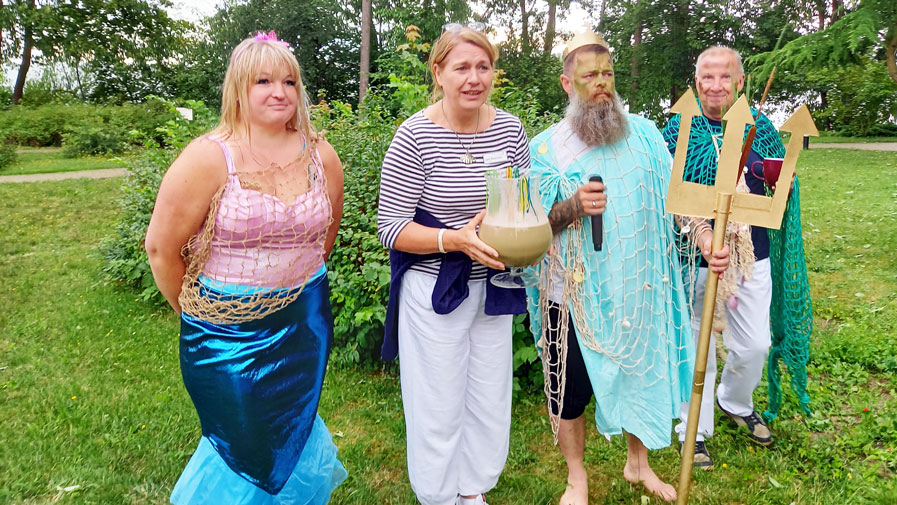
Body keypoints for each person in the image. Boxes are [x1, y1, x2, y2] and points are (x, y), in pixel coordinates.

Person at [525, 31, 730, 503]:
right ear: (566, 83)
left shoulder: (644, 135)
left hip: (636, 286)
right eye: (590, 75)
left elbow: (677, 201)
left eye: (608, 73)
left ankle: (638, 464)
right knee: (567, 390)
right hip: (569, 293)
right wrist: (571, 207)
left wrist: (702, 238)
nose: (602, 84)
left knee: (641, 372)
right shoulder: (544, 149)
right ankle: (577, 477)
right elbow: (531, 230)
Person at [145, 31, 346, 504]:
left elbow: (325, 237)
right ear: (239, 87)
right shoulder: (209, 157)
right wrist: (199, 315)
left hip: (304, 328)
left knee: (294, 431)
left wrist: (297, 296)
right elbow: (160, 249)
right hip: (225, 337)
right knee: (239, 442)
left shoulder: (321, 153)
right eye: (263, 81)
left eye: (289, 82)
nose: (279, 92)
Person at [376, 24, 530, 505]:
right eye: (462, 67)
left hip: (494, 284)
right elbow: (392, 227)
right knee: (438, 404)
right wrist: (454, 239)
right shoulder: (414, 135)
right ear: (438, 72)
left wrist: (515, 224)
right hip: (434, 290)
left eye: (483, 67)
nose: (474, 78)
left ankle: (473, 491)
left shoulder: (510, 129)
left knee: (488, 397)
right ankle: (438, 496)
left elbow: (524, 203)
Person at [661, 46, 813, 469]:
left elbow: (774, 176)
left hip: (751, 253)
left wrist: (777, 174)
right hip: (693, 255)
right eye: (706, 77)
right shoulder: (679, 130)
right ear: (696, 83)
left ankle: (734, 400)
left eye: (724, 77)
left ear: (740, 82)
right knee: (697, 345)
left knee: (754, 345)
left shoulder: (760, 126)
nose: (714, 86)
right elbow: (670, 193)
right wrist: (703, 233)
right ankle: (693, 428)